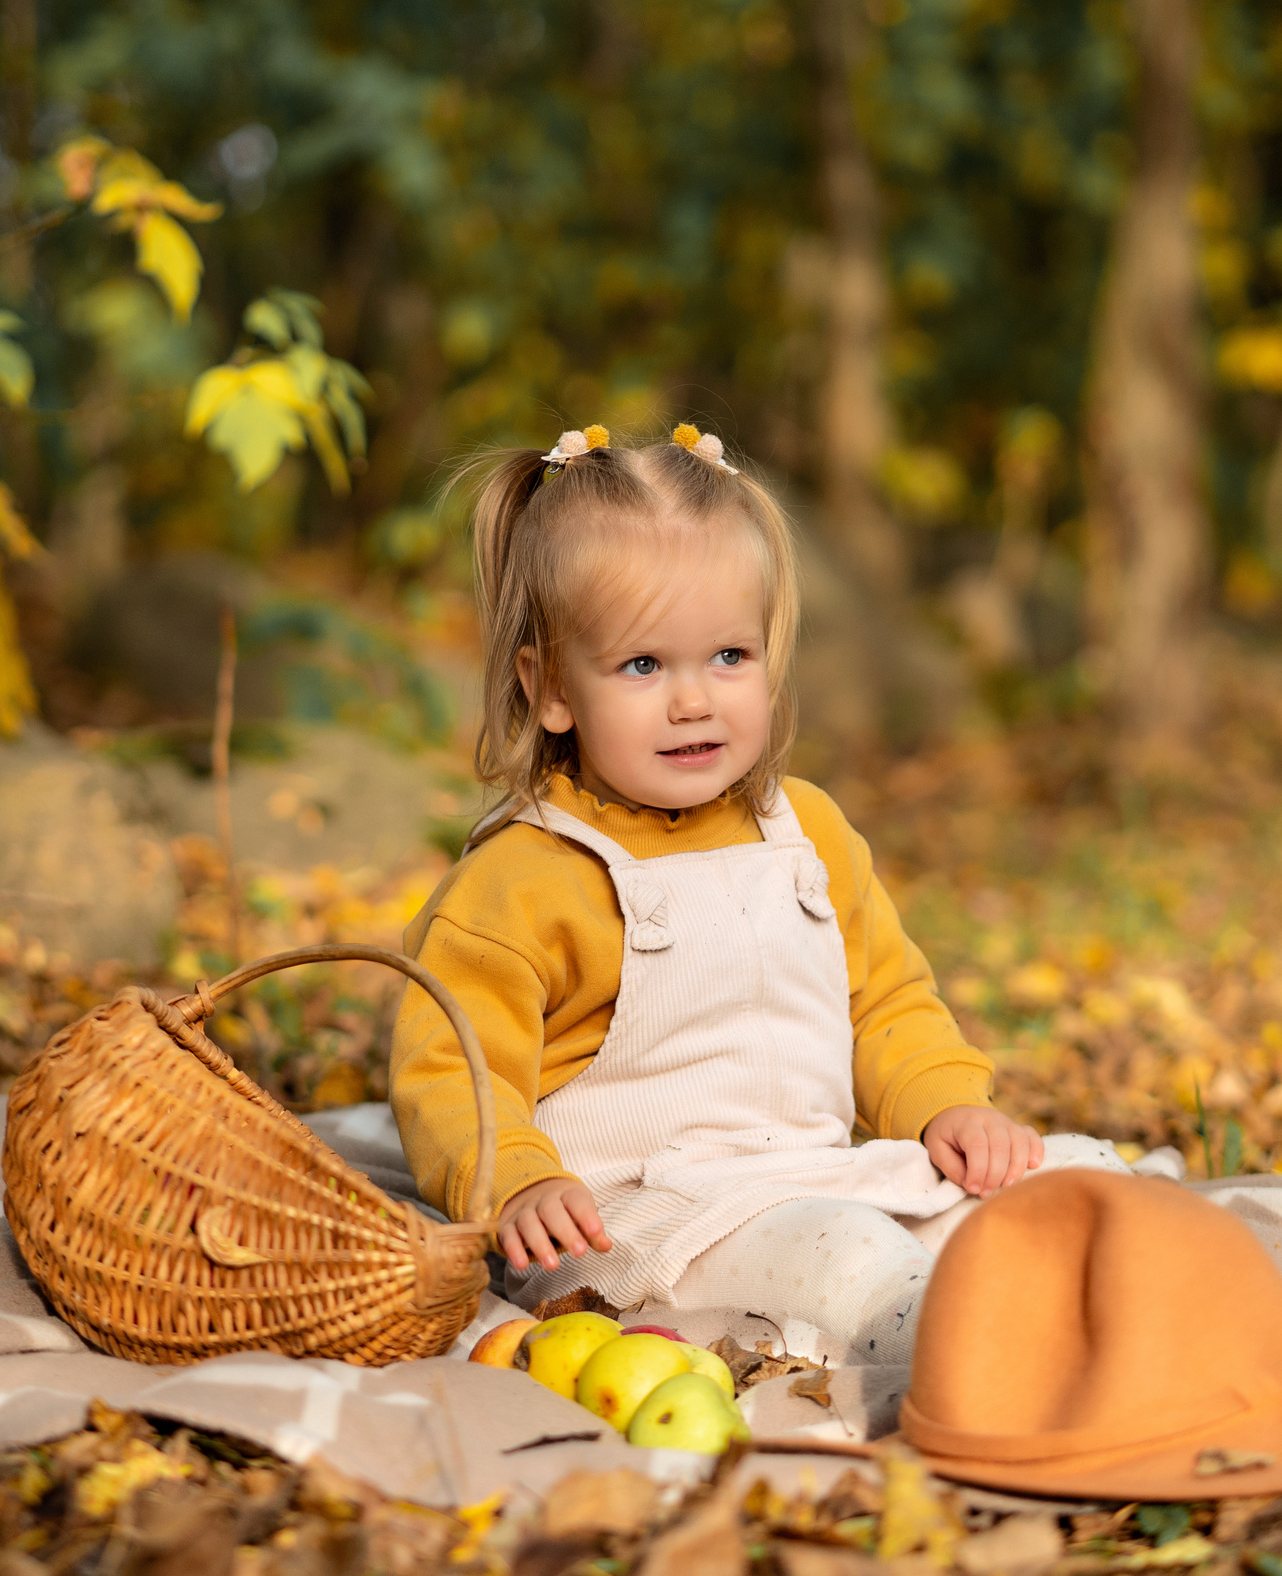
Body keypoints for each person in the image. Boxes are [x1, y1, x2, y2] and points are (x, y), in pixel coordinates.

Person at [389, 423, 1129, 1366]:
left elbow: (886, 1001)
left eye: (729, 657)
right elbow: (453, 1069)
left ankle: (1111, 1301)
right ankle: (986, 1364)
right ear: (551, 688)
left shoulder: (806, 830)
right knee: (857, 1261)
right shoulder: (523, 879)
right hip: (633, 1220)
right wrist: (517, 1183)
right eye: (644, 666)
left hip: (809, 1178)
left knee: (1072, 1175)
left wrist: (947, 1107)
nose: (694, 700)